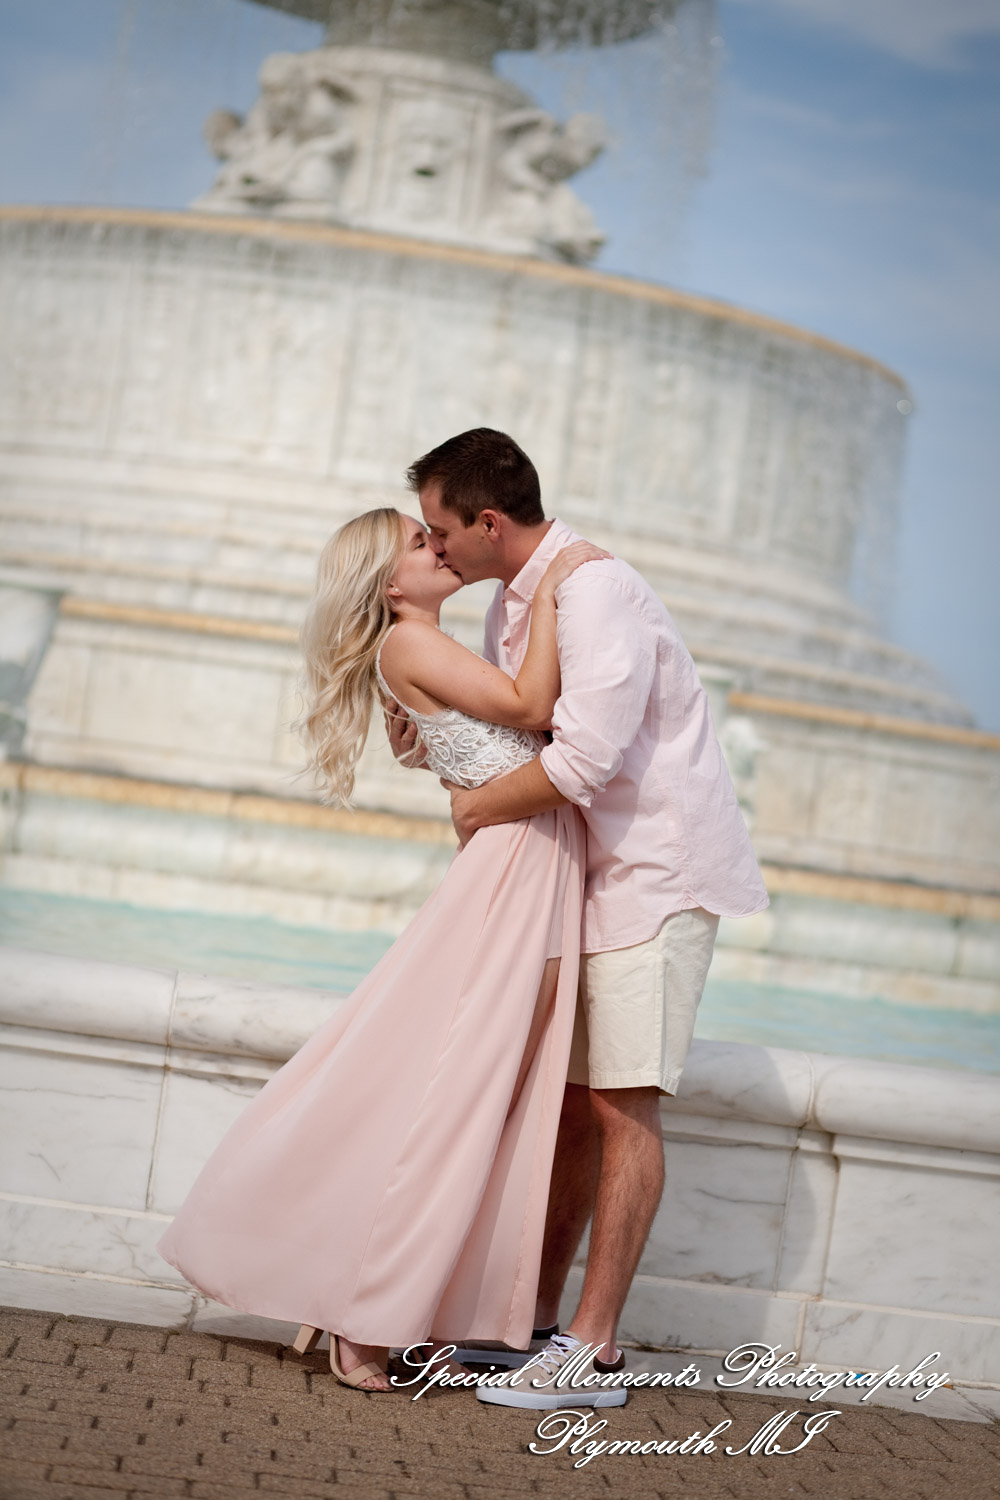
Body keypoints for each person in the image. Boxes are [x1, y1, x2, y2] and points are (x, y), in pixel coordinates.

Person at [154, 506, 610, 1392]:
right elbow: (530, 709)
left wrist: (443, 755)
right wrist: (556, 588)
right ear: (391, 586)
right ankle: (359, 1317)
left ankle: (384, 1302)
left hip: (534, 860)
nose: (436, 547)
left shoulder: (427, 646)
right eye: (417, 542)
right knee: (453, 1099)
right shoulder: (408, 642)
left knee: (483, 1094)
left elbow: (499, 742)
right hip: (515, 866)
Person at [385, 428, 771, 1408]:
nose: (434, 551)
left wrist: (473, 809)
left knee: (621, 1106)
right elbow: (520, 729)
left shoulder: (591, 590)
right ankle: (529, 1328)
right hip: (580, 880)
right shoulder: (515, 602)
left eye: (439, 531)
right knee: (565, 1107)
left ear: (486, 521)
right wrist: (426, 733)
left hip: (655, 875)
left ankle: (593, 1351)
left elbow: (583, 761)